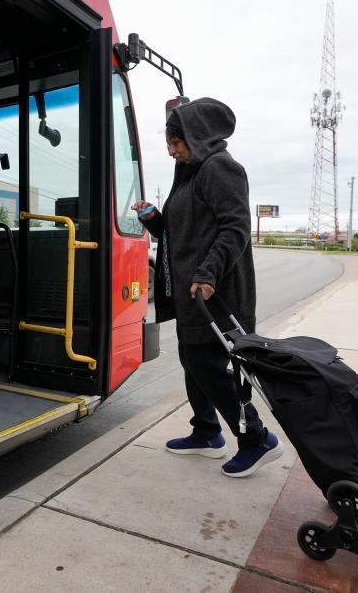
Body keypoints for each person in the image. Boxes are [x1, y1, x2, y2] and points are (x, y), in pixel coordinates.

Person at [133, 98, 284, 478]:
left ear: (197, 136)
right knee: (193, 360)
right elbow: (185, 231)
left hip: (216, 291)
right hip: (192, 291)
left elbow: (235, 229)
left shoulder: (222, 169)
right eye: (169, 143)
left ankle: (257, 439)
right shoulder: (190, 172)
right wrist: (155, 221)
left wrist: (209, 274)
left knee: (209, 365)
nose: (172, 150)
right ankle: (206, 432)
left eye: (176, 141)